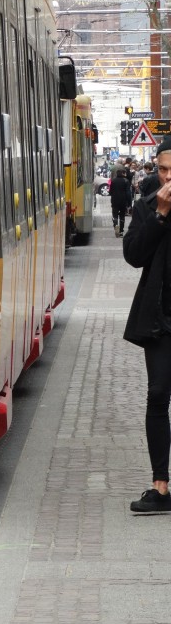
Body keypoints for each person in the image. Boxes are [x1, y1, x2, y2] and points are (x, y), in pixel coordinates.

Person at [123, 136, 171, 513]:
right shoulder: (146, 205)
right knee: (158, 396)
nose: (167, 177)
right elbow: (135, 256)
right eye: (162, 169)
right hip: (160, 318)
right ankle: (161, 486)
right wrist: (160, 215)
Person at [108, 163, 133, 237]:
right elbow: (128, 193)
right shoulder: (126, 181)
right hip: (123, 200)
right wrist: (129, 203)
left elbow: (110, 192)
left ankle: (116, 224)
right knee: (122, 215)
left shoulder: (113, 181)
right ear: (123, 173)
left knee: (114, 214)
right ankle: (121, 231)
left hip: (115, 200)